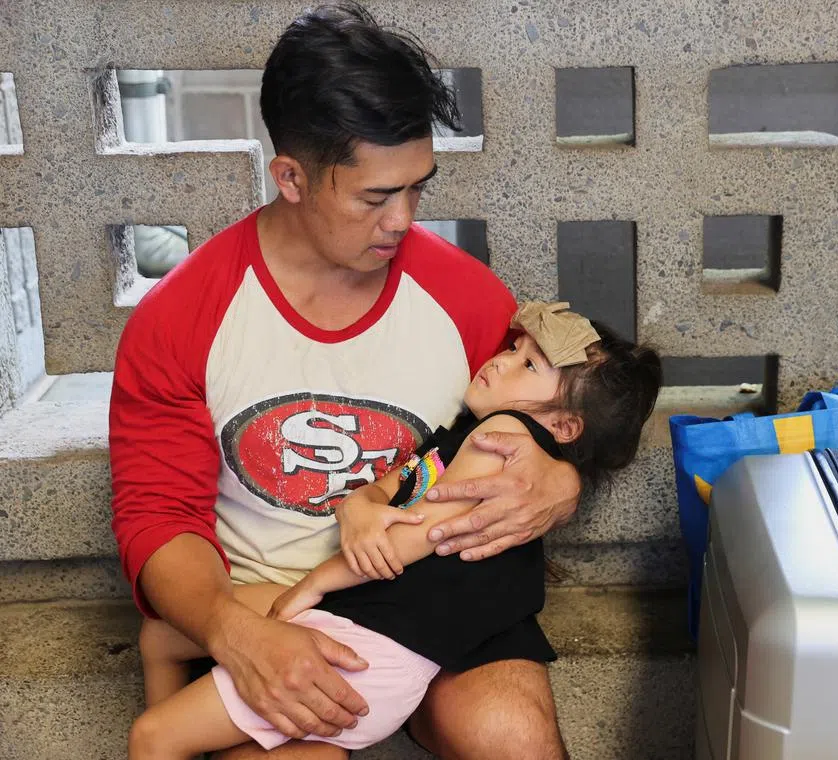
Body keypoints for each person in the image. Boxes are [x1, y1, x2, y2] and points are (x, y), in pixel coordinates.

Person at [109, 4, 583, 758]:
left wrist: (561, 484)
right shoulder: (182, 319)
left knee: (513, 737)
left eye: (417, 188)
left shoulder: (468, 300)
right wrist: (234, 635)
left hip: (435, 600)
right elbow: (157, 517)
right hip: (268, 605)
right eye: (373, 197)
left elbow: (548, 418)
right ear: (291, 177)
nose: (403, 220)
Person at [126, 305, 664, 759]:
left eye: (526, 364)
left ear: (564, 427)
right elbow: (390, 490)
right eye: (512, 348)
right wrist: (359, 506)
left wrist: (317, 581)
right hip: (371, 616)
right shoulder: (464, 435)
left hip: (372, 641)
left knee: (152, 735)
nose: (501, 360)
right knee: (163, 633)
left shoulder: (501, 433)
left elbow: (412, 537)